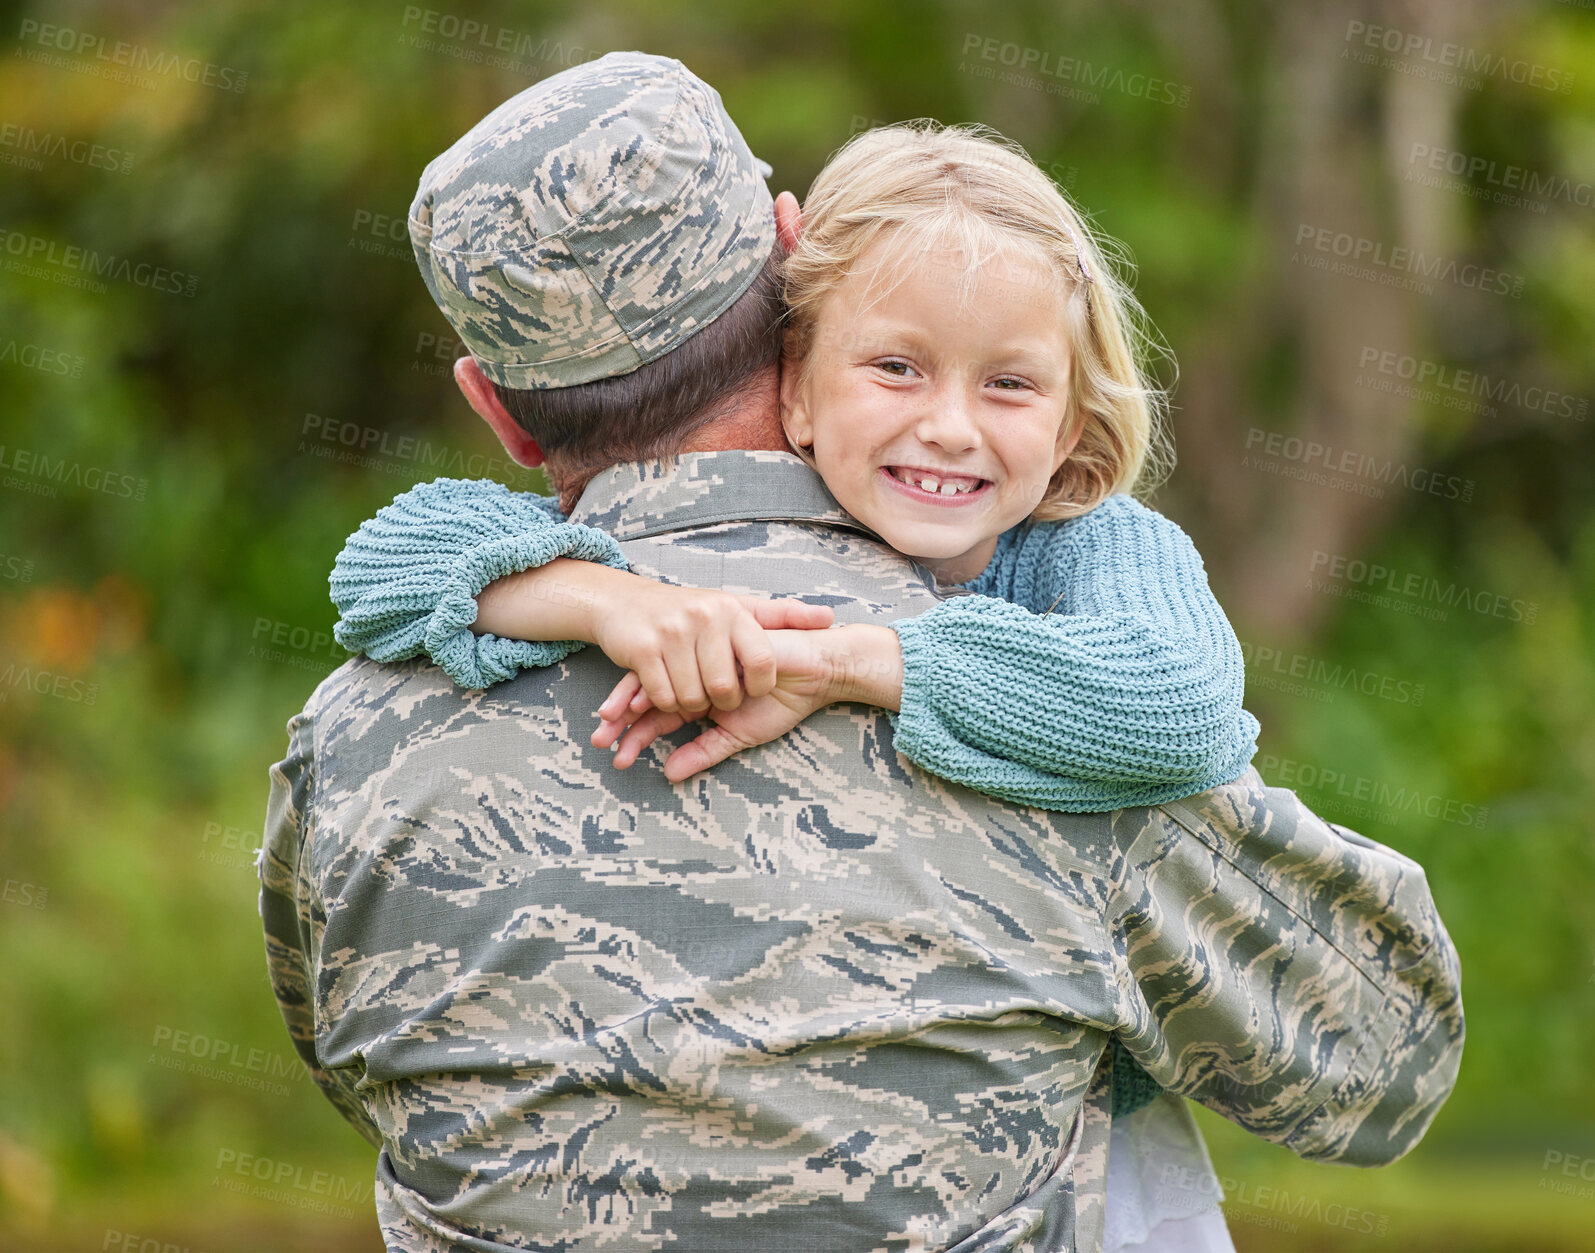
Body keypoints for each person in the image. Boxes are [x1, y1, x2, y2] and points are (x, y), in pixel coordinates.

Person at [260, 52, 1464, 1253]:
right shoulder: (1049, 743)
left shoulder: (355, 733)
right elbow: (1379, 1055)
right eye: (901, 366)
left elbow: (341, 1055)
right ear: (792, 281)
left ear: (496, 408)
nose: (948, 420)